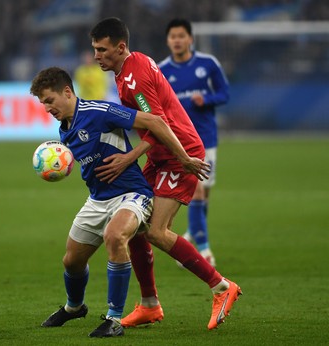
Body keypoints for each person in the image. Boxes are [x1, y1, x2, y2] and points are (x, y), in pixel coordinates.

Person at [30, 67, 209, 337]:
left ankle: (113, 319)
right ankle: (74, 307)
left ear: (67, 92)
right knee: (71, 262)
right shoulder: (64, 130)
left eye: (49, 100)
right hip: (98, 200)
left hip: (131, 194)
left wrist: (181, 158)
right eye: (42, 102)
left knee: (115, 237)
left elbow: (156, 122)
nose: (46, 107)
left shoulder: (99, 111)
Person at [90, 17, 241, 330]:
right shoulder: (130, 66)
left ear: (120, 47)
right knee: (132, 222)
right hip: (162, 155)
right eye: (94, 49)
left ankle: (222, 287)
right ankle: (149, 304)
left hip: (178, 155)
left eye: (102, 50)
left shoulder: (134, 78)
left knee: (157, 231)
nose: (96, 56)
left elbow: (159, 123)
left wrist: (130, 158)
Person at [159, 18, 230, 267]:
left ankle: (192, 234)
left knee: (204, 195)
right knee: (197, 190)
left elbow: (225, 93)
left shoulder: (208, 64)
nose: (177, 40)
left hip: (206, 137)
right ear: (168, 41)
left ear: (190, 39)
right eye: (173, 36)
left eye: (181, 36)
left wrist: (207, 99)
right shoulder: (161, 70)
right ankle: (204, 250)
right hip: (180, 144)